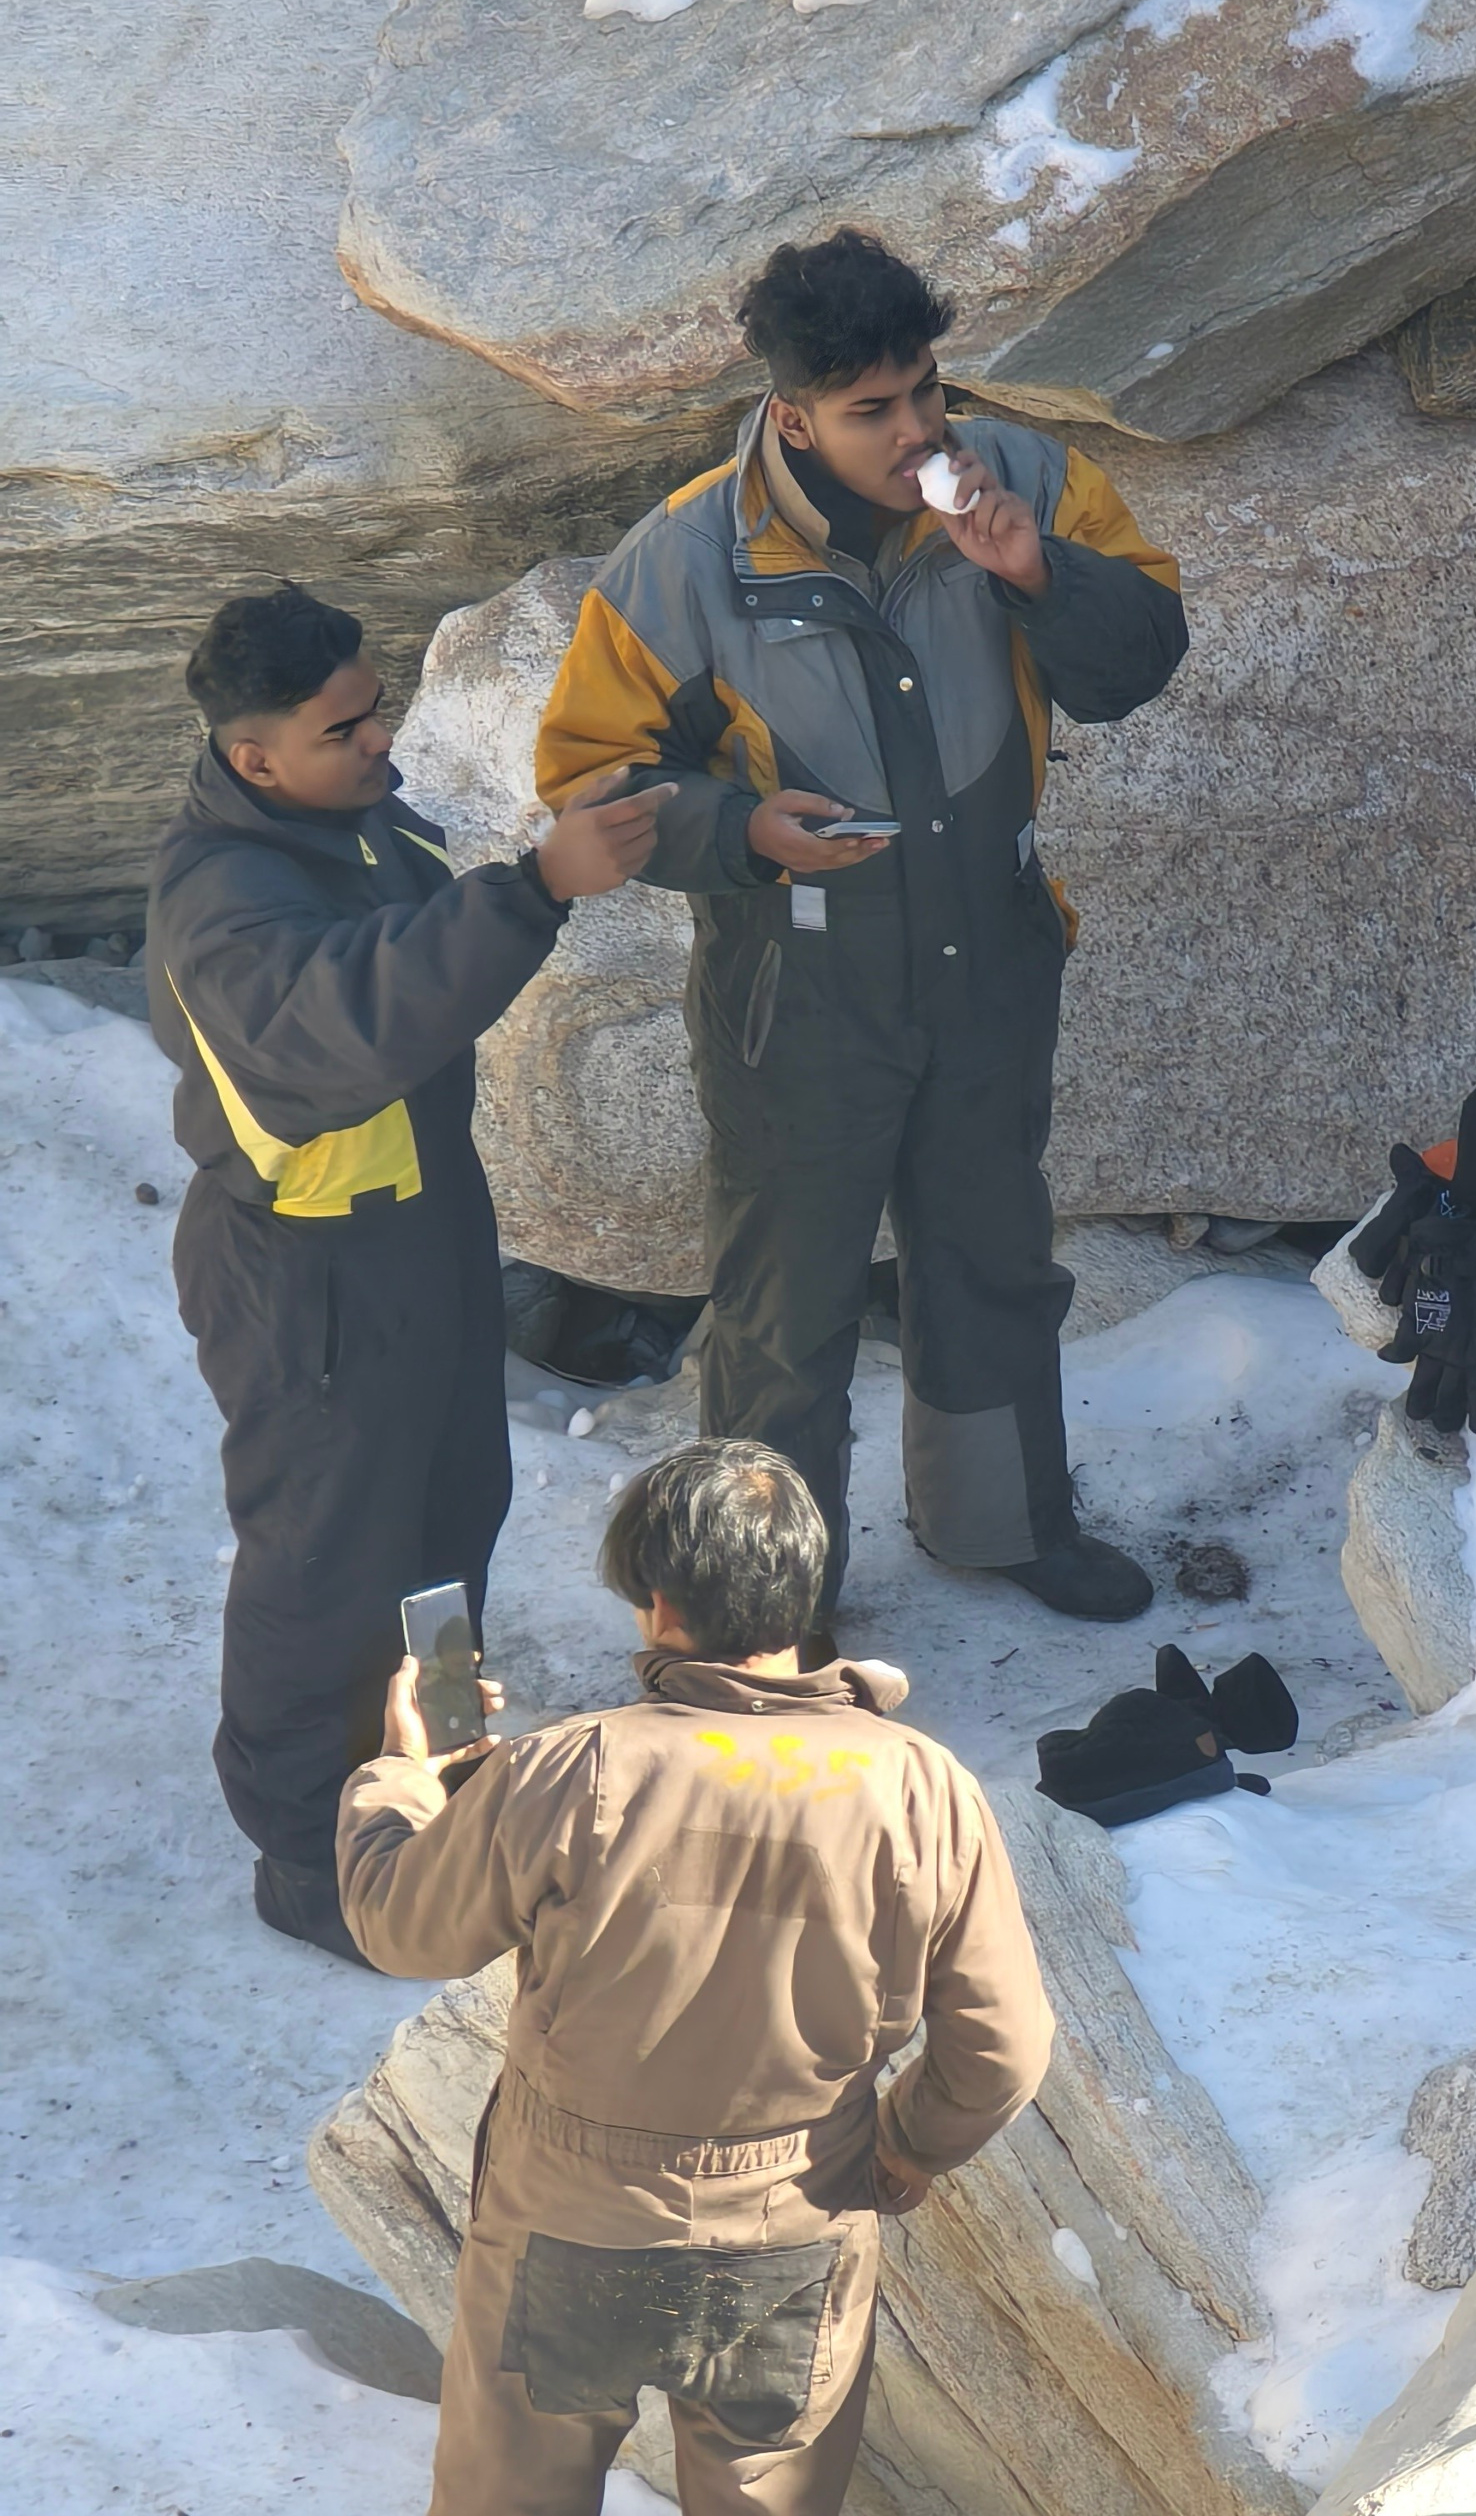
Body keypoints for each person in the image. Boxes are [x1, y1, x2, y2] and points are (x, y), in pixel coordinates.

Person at [534, 227, 1189, 1626]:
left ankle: (1002, 1523)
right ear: (792, 416)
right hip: (799, 990)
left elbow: (1146, 655)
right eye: (871, 410)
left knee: (992, 1262)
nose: (916, 434)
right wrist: (741, 834)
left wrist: (1036, 579)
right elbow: (588, 780)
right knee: (785, 1313)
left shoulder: (1026, 482)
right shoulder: (680, 561)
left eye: (927, 393)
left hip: (991, 959)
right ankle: (769, 1608)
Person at [338, 1438, 1053, 2516]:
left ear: (658, 1605)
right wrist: (903, 2147)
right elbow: (1001, 2048)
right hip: (793, 2228)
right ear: (801, 1595)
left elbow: (402, 1927)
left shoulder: (568, 1768)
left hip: (569, 2223)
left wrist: (404, 1775)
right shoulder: (924, 1789)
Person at [149, 583, 662, 1963]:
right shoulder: (224, 899)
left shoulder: (344, 823)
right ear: (256, 757)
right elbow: (352, 1016)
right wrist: (540, 884)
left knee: (447, 1516)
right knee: (327, 1563)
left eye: (374, 708)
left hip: (415, 1237)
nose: (381, 741)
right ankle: (315, 1854)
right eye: (345, 728)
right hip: (304, 1276)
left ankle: (436, 1778)